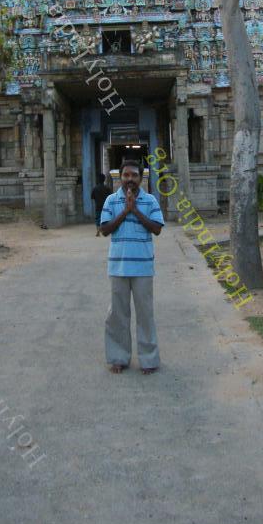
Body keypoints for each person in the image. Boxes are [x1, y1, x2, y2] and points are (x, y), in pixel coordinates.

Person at [100, 160, 164, 375]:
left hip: (143, 269)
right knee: (117, 315)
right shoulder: (110, 200)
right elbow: (106, 229)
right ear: (120, 178)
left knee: (145, 315)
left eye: (134, 175)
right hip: (118, 268)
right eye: (125, 175)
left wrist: (134, 210)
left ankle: (149, 359)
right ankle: (118, 357)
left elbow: (156, 229)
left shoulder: (150, 200)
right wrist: (124, 211)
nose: (129, 179)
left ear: (141, 178)